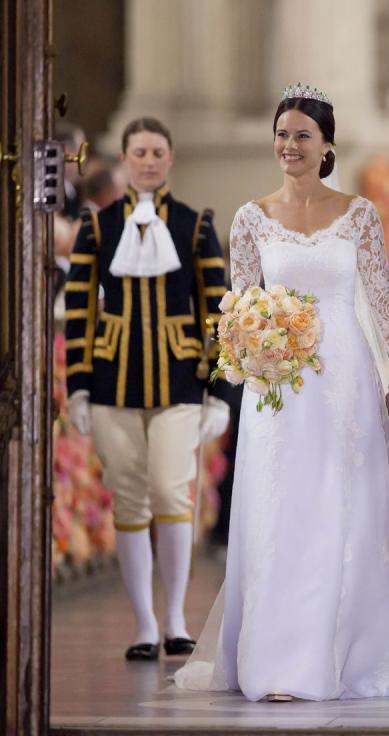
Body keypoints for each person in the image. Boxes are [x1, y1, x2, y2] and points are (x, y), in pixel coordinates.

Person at [175, 85, 389, 702]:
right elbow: (238, 307)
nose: (288, 147)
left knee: (348, 505)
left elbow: (382, 301)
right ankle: (281, 658)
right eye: (282, 134)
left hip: (346, 377)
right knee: (282, 508)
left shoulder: (358, 213)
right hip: (279, 388)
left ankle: (354, 646)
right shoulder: (249, 218)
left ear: (326, 148)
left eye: (301, 137)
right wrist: (249, 351)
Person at [64, 117, 232, 660]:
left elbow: (216, 309)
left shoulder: (194, 223)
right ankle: (143, 624)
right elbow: (81, 309)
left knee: (169, 489)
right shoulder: (98, 227)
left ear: (171, 157)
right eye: (139, 152)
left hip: (180, 377)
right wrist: (79, 386)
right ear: (126, 158)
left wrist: (215, 385)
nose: (149, 160)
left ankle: (178, 617)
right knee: (129, 498)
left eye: (158, 151)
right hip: (112, 378)